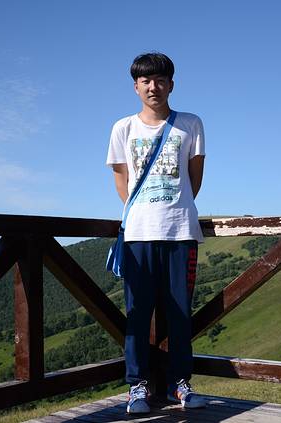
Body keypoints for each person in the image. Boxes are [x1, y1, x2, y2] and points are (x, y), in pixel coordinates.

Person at [106, 52, 207, 414]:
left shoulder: (190, 124)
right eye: (146, 81)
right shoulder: (123, 129)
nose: (153, 87)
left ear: (171, 85)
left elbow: (194, 179)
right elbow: (122, 180)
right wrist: (145, 212)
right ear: (135, 86)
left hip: (181, 230)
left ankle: (181, 384)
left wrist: (172, 206)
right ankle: (137, 386)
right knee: (137, 313)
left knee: (180, 313)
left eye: (160, 80)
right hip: (138, 234)